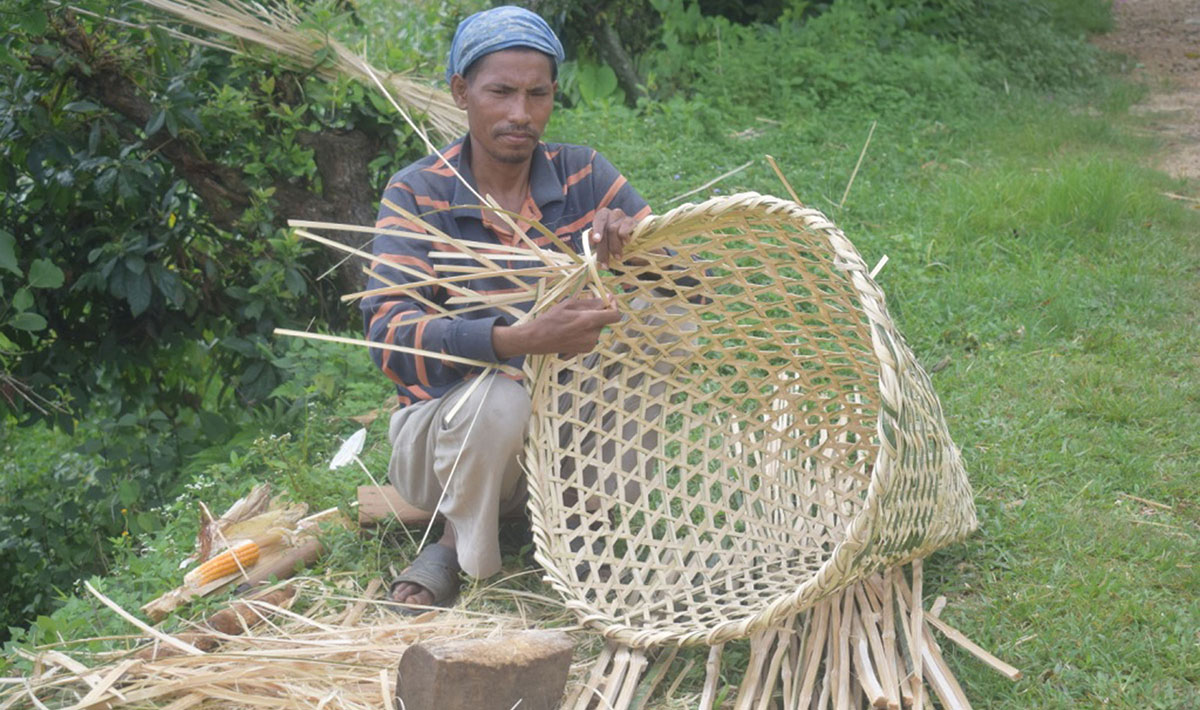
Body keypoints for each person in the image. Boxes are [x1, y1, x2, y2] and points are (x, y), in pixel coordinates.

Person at [362, 5, 651, 608]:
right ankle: (452, 544)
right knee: (502, 394)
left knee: (665, 326)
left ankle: (581, 518)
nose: (521, 115)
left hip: (564, 444)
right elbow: (390, 336)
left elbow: (692, 285)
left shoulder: (585, 176)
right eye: (500, 92)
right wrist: (517, 341)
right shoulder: (419, 192)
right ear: (461, 92)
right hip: (446, 449)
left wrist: (636, 250)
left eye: (537, 94)